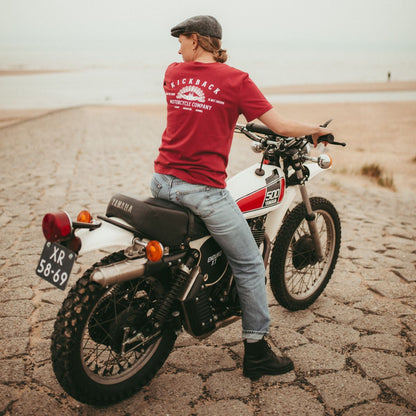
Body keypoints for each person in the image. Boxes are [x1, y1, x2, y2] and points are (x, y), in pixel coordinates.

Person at [151, 15, 331, 380]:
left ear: (198, 41)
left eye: (183, 40)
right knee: (249, 263)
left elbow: (194, 105)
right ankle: (257, 350)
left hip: (161, 182)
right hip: (201, 190)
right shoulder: (236, 81)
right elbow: (279, 126)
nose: (178, 47)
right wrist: (314, 129)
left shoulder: (173, 72)